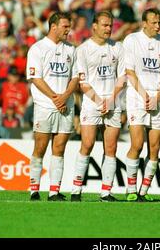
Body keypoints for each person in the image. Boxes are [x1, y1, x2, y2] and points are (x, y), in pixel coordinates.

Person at [71, 11, 126, 202]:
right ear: (94, 26)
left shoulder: (118, 48)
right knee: (87, 144)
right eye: (104, 25)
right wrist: (99, 101)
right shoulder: (83, 50)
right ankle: (76, 190)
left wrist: (111, 100)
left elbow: (122, 78)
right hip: (92, 103)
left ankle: (106, 192)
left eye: (110, 25)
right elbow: (82, 82)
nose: (108, 29)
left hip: (113, 102)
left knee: (111, 148)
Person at [26, 12, 79, 201]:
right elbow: (35, 78)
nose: (68, 30)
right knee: (40, 147)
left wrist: (64, 97)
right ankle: (34, 189)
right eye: (65, 26)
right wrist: (55, 98)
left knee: (60, 147)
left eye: (69, 26)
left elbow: (75, 77)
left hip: (66, 105)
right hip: (45, 105)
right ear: (53, 26)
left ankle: (54, 191)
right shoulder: (38, 49)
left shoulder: (72, 50)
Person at [123, 8, 160, 202]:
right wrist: (146, 96)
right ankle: (130, 189)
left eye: (158, 22)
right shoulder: (132, 40)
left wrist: (158, 97)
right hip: (137, 98)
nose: (157, 26)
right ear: (144, 23)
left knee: (155, 148)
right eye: (153, 22)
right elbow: (130, 72)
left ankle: (143, 191)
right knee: (137, 144)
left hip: (159, 99)